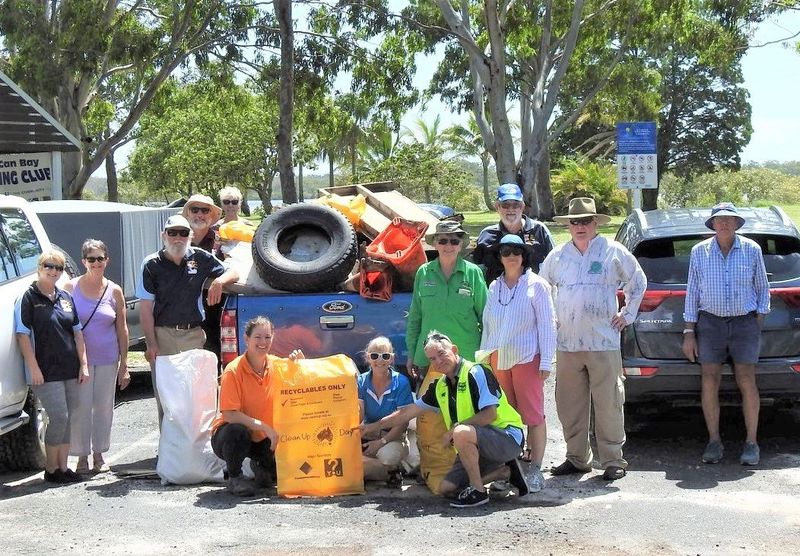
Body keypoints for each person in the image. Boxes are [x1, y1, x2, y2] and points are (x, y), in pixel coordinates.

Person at [362, 331, 534, 508]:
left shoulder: (477, 372)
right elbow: (406, 413)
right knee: (445, 488)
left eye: (441, 354)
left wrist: (455, 430)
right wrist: (372, 426)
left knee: (460, 432)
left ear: (454, 349)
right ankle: (505, 472)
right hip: (477, 443)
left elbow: (490, 414)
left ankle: (479, 492)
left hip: (507, 437)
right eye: (432, 359)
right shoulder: (440, 386)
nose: (438, 361)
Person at [539, 197, 646, 481]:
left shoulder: (613, 251)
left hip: (603, 341)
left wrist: (627, 314)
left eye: (586, 221)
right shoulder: (558, 255)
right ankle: (576, 458)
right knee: (569, 404)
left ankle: (613, 460)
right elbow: (541, 286)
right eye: (575, 222)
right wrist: (551, 317)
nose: (580, 226)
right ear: (568, 225)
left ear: (596, 222)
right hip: (568, 343)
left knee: (608, 402)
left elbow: (638, 281)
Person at [681, 202, 769, 466]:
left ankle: (751, 443)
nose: (724, 223)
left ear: (737, 223)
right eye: (719, 220)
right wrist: (689, 331)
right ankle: (714, 441)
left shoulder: (751, 249)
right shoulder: (700, 252)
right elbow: (692, 292)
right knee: (709, 379)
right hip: (710, 324)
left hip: (744, 323)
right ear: (712, 224)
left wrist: (757, 320)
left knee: (746, 379)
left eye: (729, 219)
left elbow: (763, 288)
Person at [405, 220, 487, 492]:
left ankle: (473, 470)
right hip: (431, 361)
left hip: (466, 361)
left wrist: (484, 359)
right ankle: (430, 468)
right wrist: (414, 354)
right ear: (434, 244)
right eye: (443, 240)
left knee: (467, 416)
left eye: (454, 241)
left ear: (462, 244)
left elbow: (486, 318)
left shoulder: (473, 273)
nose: (449, 245)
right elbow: (416, 317)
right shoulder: (423, 273)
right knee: (429, 419)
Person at [137, 215, 239, 427]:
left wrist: (219, 281)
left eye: (183, 233)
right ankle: (168, 450)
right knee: (166, 396)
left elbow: (235, 272)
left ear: (190, 236)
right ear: (163, 235)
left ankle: (195, 447)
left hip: (192, 335)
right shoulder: (151, 264)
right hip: (162, 335)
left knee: (195, 394)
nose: (177, 238)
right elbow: (146, 308)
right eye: (172, 233)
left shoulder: (200, 258)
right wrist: (151, 343)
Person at [480, 235, 557, 492]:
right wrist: (484, 360)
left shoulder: (537, 285)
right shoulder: (494, 287)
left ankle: (535, 468)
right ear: (499, 257)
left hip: (527, 358)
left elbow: (547, 325)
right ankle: (507, 469)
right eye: (505, 251)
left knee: (533, 415)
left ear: (524, 255)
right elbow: (489, 326)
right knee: (505, 417)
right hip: (498, 359)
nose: (511, 255)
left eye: (516, 251)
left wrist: (546, 360)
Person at [14, 250, 89, 484]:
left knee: (69, 417)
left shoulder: (65, 297)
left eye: (58, 267)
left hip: (70, 367)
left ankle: (63, 468)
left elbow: (77, 333)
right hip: (45, 371)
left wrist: (83, 364)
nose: (54, 271)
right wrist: (33, 367)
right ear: (40, 267)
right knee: (59, 415)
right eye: (49, 266)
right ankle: (50, 469)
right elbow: (23, 336)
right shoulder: (28, 298)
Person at [64, 239, 130, 474]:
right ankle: (81, 456)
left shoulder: (114, 290)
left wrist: (125, 365)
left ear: (107, 260)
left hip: (108, 357)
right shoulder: (70, 288)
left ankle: (99, 454)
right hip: (79, 360)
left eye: (100, 258)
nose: (96, 263)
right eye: (91, 259)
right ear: (83, 261)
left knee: (103, 407)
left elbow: (122, 329)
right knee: (81, 407)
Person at [210, 316, 294, 496]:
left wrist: (299, 361)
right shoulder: (233, 370)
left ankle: (262, 467)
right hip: (231, 437)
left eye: (267, 337)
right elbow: (230, 415)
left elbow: (300, 377)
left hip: (265, 438)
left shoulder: (277, 364)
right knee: (237, 431)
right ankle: (235, 477)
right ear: (246, 339)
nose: (263, 342)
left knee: (281, 476)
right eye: (258, 337)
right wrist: (263, 426)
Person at [357, 336, 414, 488]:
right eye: (374, 355)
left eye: (385, 356)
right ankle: (384, 471)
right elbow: (359, 415)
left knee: (388, 456)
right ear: (368, 358)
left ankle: (391, 469)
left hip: (393, 436)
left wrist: (381, 442)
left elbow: (403, 422)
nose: (380, 360)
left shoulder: (401, 382)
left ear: (391, 359)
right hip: (368, 434)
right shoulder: (361, 382)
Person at [471, 183, 554, 282]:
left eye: (516, 205)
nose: (511, 209)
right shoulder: (486, 235)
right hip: (498, 294)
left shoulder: (539, 230)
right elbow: (476, 272)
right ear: (497, 206)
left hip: (535, 294)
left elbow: (554, 264)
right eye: (505, 205)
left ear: (522, 206)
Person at [182, 194, 225, 361]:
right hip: (185, 317)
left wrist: (220, 281)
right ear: (187, 214)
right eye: (195, 209)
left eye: (205, 210)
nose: (199, 214)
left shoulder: (223, 241)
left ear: (211, 216)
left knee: (212, 365)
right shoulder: (177, 239)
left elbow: (235, 269)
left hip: (215, 313)